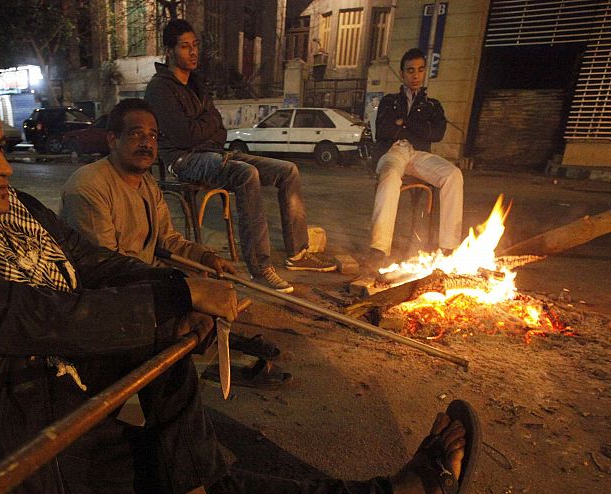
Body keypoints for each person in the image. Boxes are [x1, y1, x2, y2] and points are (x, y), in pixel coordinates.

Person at [0, 77, 480, 494]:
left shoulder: (8, 208)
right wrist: (175, 296)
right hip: (3, 420)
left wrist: (184, 285)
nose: (1, 164)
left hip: (59, 376)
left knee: (192, 426)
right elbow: (30, 317)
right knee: (205, 468)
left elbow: (92, 264)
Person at [60, 98, 289, 388]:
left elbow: (168, 241)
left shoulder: (147, 185)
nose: (147, 143)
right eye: (136, 133)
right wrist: (180, 291)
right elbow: (106, 270)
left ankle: (216, 344)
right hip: (109, 298)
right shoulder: (89, 187)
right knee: (192, 302)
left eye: (153, 135)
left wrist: (206, 259)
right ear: (112, 139)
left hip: (141, 280)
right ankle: (206, 358)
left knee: (210, 284)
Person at [144, 18, 337, 295]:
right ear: (170, 51)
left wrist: (205, 127)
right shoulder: (160, 88)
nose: (193, 52)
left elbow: (220, 129)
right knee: (247, 174)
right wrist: (207, 125)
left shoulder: (197, 84)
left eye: (195, 45)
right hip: (182, 161)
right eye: (185, 47)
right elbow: (183, 137)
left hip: (211, 152)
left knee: (288, 170)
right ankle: (260, 268)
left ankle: (297, 253)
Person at [366, 48, 464, 274]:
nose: (416, 75)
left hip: (418, 154)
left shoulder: (432, 105)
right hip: (393, 151)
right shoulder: (389, 101)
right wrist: (412, 127)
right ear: (402, 74)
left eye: (420, 70)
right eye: (410, 71)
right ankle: (378, 249)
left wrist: (403, 123)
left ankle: (448, 247)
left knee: (453, 175)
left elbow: (436, 133)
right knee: (390, 176)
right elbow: (383, 130)